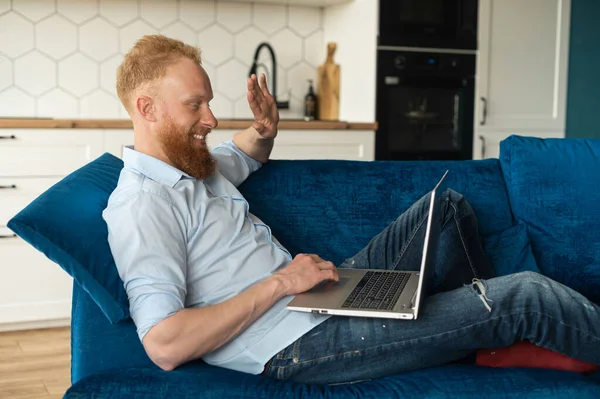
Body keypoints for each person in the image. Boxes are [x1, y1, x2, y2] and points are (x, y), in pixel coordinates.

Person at [102, 35, 600, 385]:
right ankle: (495, 321)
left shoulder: (195, 166)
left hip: (317, 299)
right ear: (147, 109)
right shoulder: (142, 206)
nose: (210, 118)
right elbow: (164, 345)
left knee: (445, 208)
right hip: (292, 347)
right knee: (524, 296)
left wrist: (267, 129)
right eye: (195, 106)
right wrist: (281, 282)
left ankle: (481, 341)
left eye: (209, 103)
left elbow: (247, 152)